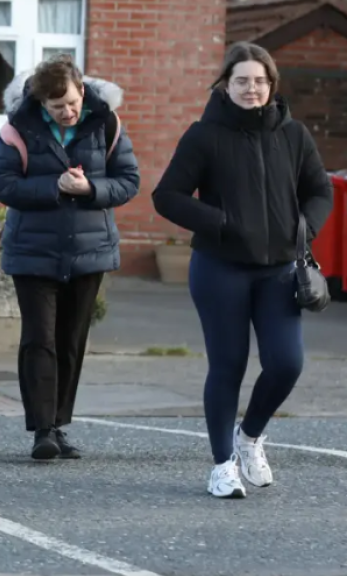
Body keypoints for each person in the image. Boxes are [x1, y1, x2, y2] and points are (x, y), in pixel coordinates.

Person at [152, 41, 333, 499]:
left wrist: (303, 229)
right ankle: (221, 465)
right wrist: (219, 222)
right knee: (228, 365)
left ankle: (249, 437)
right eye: (242, 81)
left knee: (286, 363)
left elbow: (319, 190)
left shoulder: (293, 135)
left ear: (271, 85)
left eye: (259, 81)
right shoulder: (204, 135)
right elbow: (167, 195)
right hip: (220, 269)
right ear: (225, 84)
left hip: (278, 272)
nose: (251, 89)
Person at [0, 55, 140, 460]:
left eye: (72, 103)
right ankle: (41, 430)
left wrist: (90, 188)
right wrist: (54, 185)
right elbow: (2, 184)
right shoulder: (16, 129)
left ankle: (58, 423)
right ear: (41, 103)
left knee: (71, 340)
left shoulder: (106, 123)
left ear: (82, 91)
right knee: (40, 338)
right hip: (32, 251)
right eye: (58, 108)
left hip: (89, 251)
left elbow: (128, 181)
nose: (68, 112)